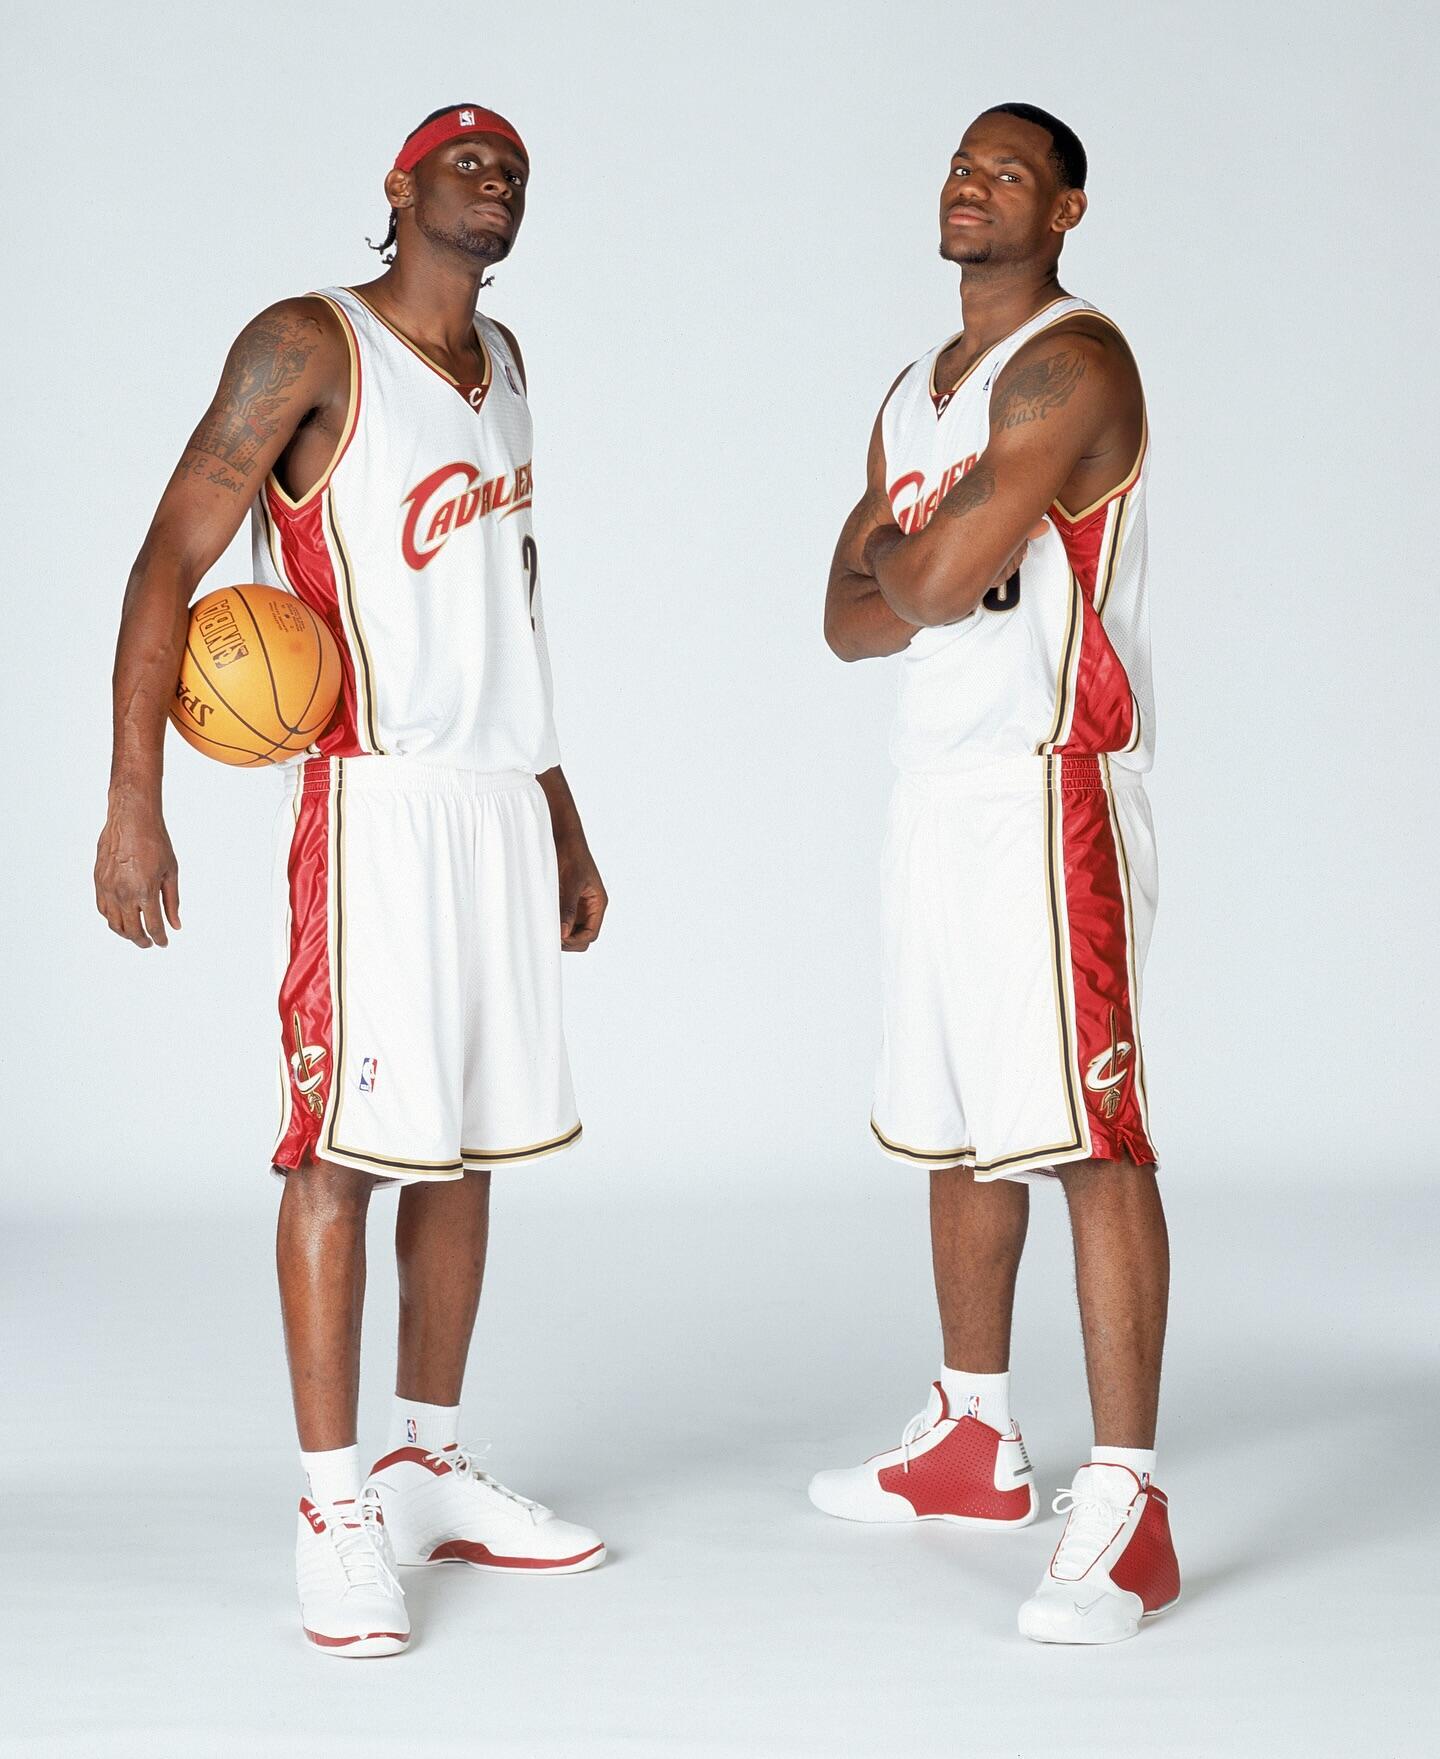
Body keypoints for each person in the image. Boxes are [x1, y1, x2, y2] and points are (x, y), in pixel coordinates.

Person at [95, 104, 608, 1658]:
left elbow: (510, 612)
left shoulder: (506, 366)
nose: (495, 179)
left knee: (464, 1149)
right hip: (371, 804)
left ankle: (424, 1465)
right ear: (399, 187)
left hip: (496, 799)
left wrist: (560, 809)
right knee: (341, 1153)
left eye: (514, 167)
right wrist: (134, 798)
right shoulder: (308, 345)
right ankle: (333, 1510)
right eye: (465, 160)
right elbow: (165, 559)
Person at [810, 103, 1180, 1645]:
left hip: (1048, 786)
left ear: (1067, 209)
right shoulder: (916, 392)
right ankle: (973, 1437)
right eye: (963, 165)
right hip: (939, 785)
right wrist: (921, 565)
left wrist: (917, 558)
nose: (973, 185)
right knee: (962, 1126)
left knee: (1089, 1136)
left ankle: (1132, 1505)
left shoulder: (1071, 363)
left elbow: (931, 575)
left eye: (1009, 171)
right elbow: (847, 622)